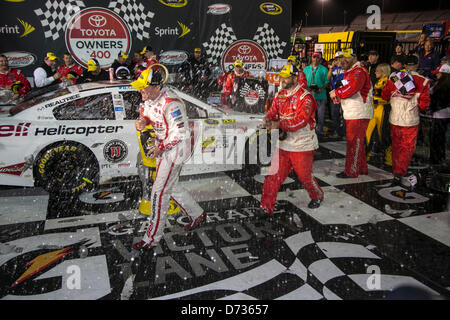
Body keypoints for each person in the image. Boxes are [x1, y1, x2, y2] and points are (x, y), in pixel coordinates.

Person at [131, 67, 206, 250]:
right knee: (169, 186)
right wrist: (144, 122)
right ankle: (197, 214)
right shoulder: (149, 98)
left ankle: (151, 239)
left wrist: (160, 148)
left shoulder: (172, 103)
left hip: (176, 148)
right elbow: (150, 116)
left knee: (158, 191)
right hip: (163, 146)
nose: (140, 90)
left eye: (143, 87)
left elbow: (180, 133)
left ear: (157, 87)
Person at [259, 64, 324, 213]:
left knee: (304, 177)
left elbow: (301, 121)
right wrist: (267, 119)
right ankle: (265, 206)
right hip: (283, 143)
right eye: (281, 76)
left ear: (295, 78)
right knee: (273, 176)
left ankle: (317, 195)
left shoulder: (305, 97)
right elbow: (273, 112)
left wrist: (279, 123)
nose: (282, 79)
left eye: (286, 77)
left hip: (302, 144)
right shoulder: (280, 95)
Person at [381, 54, 430, 189]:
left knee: (397, 145)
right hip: (410, 120)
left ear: (404, 65)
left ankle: (397, 170)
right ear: (417, 65)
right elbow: (424, 104)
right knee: (407, 147)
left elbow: (385, 95)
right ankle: (400, 171)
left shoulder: (394, 77)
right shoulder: (424, 81)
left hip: (395, 118)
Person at [329, 48, 373, 178]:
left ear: (354, 57)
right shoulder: (352, 71)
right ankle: (362, 168)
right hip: (355, 112)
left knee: (354, 143)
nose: (343, 60)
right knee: (357, 143)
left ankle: (351, 171)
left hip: (358, 113)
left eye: (346, 57)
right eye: (341, 58)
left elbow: (351, 89)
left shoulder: (358, 71)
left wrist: (336, 93)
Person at [366, 63, 392, 165]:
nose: (375, 72)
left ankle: (389, 159)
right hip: (375, 110)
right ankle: (366, 155)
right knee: (368, 133)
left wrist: (377, 101)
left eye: (377, 70)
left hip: (383, 110)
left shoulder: (387, 82)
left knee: (383, 135)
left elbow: (388, 98)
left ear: (383, 71)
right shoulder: (379, 81)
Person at [427, 64, 450, 164]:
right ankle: (440, 157)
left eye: (438, 73)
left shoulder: (442, 85)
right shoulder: (442, 83)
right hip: (444, 114)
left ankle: (435, 159)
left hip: (440, 115)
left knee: (437, 138)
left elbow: (436, 97)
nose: (437, 75)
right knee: (440, 138)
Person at [303, 52, 330, 136]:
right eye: (314, 57)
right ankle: (309, 130)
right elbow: (303, 81)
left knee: (320, 115)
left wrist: (321, 89)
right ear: (311, 58)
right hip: (309, 95)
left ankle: (319, 130)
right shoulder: (306, 69)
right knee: (308, 114)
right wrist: (307, 89)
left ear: (320, 59)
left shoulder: (324, 69)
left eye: (317, 58)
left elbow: (327, 82)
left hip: (320, 95)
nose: (315, 59)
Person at [327, 51, 345, 138]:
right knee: (335, 113)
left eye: (340, 58)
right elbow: (328, 78)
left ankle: (344, 132)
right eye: (337, 59)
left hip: (344, 93)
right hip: (335, 93)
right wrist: (331, 68)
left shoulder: (346, 67)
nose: (339, 60)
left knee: (344, 113)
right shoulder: (333, 69)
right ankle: (336, 131)